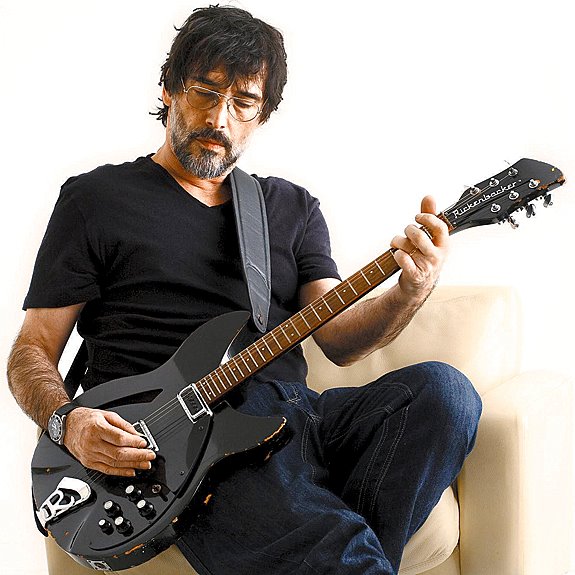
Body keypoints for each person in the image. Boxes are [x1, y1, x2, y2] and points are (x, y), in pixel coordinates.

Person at [7, 6, 481, 575]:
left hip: (298, 418)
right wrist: (68, 423)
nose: (219, 119)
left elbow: (339, 340)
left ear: (263, 114)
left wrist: (411, 288)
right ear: (169, 89)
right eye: (205, 92)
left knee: (445, 394)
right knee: (329, 535)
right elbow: (32, 349)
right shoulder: (95, 199)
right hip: (181, 443)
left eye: (243, 102)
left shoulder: (291, 207)